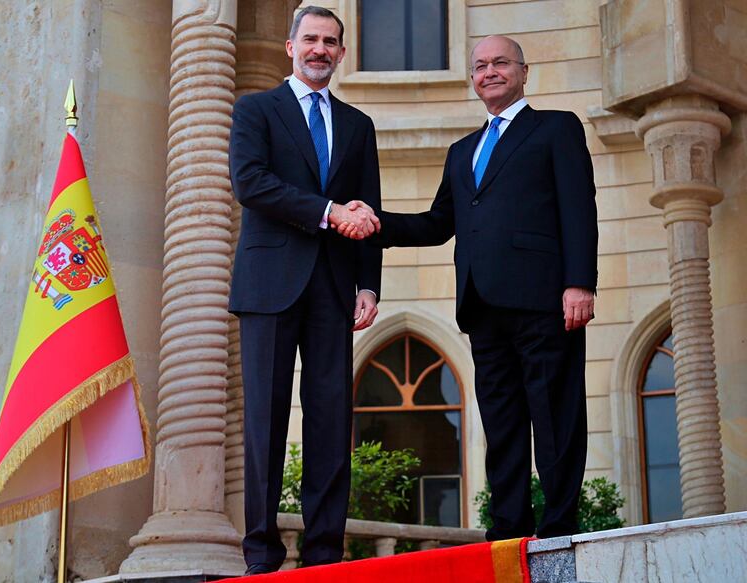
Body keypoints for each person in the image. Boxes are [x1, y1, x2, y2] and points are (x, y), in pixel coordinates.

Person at [344, 35, 597, 540]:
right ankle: (508, 530)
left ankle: (559, 526)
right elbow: (439, 223)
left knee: (554, 416)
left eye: (500, 63)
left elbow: (578, 207)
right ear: (473, 79)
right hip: (483, 308)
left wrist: (580, 283)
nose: (489, 72)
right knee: (501, 424)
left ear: (525, 71)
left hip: (545, 301)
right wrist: (377, 223)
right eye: (480, 66)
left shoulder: (556, 128)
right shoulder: (463, 152)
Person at [228, 6, 382, 575]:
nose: (320, 49)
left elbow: (367, 208)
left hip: (335, 290)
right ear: (290, 47)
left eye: (331, 42)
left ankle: (323, 555)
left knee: (329, 420)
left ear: (341, 53)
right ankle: (262, 556)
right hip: (269, 284)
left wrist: (369, 283)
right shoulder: (255, 110)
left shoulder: (358, 125)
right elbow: (251, 183)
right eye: (311, 39)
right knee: (265, 423)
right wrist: (326, 211)